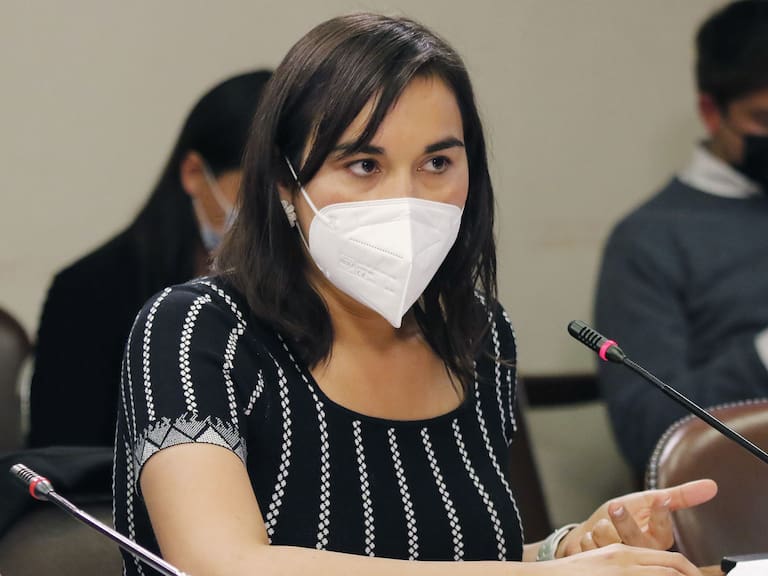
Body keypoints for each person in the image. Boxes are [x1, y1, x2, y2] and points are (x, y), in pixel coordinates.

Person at [114, 14, 716, 576]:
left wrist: (569, 549)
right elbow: (219, 563)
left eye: (436, 162)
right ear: (283, 184)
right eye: (364, 165)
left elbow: (465, 558)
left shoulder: (475, 331)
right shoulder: (197, 329)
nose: (406, 199)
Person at [28, 69, 273, 448]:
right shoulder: (91, 291)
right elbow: (63, 460)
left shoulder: (317, 290)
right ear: (194, 173)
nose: (274, 210)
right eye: (257, 190)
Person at [595, 0, 768, 477]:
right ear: (712, 113)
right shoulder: (648, 240)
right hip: (736, 513)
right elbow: (648, 435)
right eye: (763, 120)